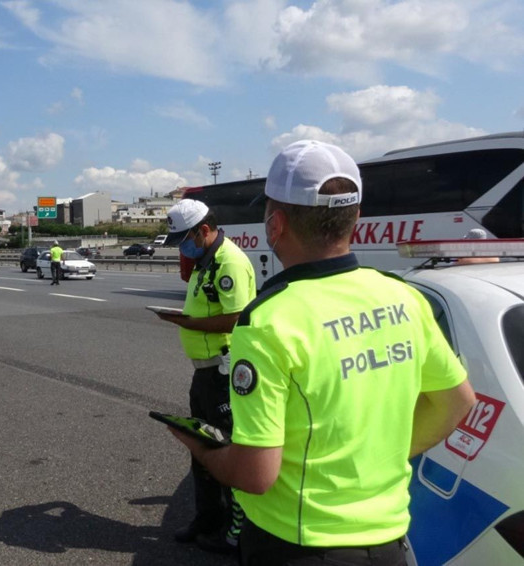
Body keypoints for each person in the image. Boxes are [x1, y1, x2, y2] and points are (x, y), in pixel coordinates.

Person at [168, 140, 476, 566]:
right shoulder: (404, 297)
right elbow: (458, 401)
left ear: (275, 226)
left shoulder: (268, 323)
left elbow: (256, 475)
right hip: (391, 544)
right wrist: (378, 458)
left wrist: (201, 448)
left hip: (298, 544)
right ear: (356, 220)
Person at [154, 198, 256, 554]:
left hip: (224, 374)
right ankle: (207, 516)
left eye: (185, 239)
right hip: (205, 373)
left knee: (224, 447)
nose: (183, 247)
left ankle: (234, 531)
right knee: (200, 445)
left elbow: (237, 317)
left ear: (204, 230)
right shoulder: (204, 260)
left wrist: (186, 323)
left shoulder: (229, 261)